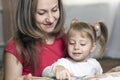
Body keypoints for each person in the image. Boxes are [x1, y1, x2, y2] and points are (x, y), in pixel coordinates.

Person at [3, 0, 66, 80]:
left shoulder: (65, 39)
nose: (50, 19)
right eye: (41, 13)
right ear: (27, 14)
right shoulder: (16, 47)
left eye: (54, 10)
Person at [42, 19, 108, 80]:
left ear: (92, 47)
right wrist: (58, 69)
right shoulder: (64, 63)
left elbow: (102, 77)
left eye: (82, 44)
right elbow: (44, 72)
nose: (76, 47)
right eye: (72, 43)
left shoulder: (95, 64)